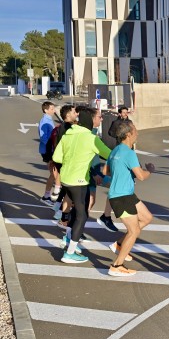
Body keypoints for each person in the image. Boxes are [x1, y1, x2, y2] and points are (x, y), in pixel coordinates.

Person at [51, 106, 112, 263]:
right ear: (89, 122)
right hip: (79, 181)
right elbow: (110, 155)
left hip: (66, 179)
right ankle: (69, 253)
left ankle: (68, 240)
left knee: (76, 213)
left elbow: (57, 157)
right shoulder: (91, 138)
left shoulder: (68, 135)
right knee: (82, 215)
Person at [104, 120, 155, 276]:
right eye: (135, 131)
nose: (137, 133)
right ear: (128, 135)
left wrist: (122, 172)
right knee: (133, 232)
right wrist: (150, 171)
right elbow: (141, 176)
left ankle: (119, 244)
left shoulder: (115, 150)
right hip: (122, 196)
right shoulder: (129, 152)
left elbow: (105, 170)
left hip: (125, 194)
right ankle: (117, 265)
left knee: (146, 218)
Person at [38, 101, 57, 204]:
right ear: (46, 110)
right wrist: (52, 148)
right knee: (53, 174)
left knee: (54, 174)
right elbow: (43, 137)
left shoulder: (49, 119)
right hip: (48, 150)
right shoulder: (45, 121)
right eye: (52, 109)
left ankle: (48, 195)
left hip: (50, 149)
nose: (54, 111)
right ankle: (46, 196)